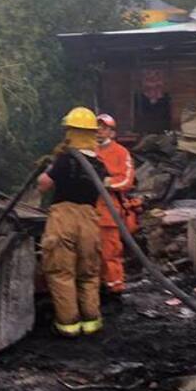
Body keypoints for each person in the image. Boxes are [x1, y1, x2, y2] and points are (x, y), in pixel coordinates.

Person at [37, 107, 107, 337]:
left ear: (71, 132)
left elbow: (44, 184)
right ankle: (91, 321)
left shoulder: (66, 159)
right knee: (88, 272)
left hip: (63, 216)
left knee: (61, 272)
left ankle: (68, 325)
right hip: (90, 219)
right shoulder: (99, 164)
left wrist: (47, 169)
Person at [94, 114, 135, 294]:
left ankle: (114, 287)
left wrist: (106, 182)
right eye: (97, 128)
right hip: (87, 210)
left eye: (103, 128)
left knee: (110, 252)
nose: (99, 131)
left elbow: (126, 180)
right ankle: (95, 288)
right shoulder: (89, 151)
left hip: (109, 210)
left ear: (112, 132)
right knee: (89, 253)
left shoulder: (121, 152)